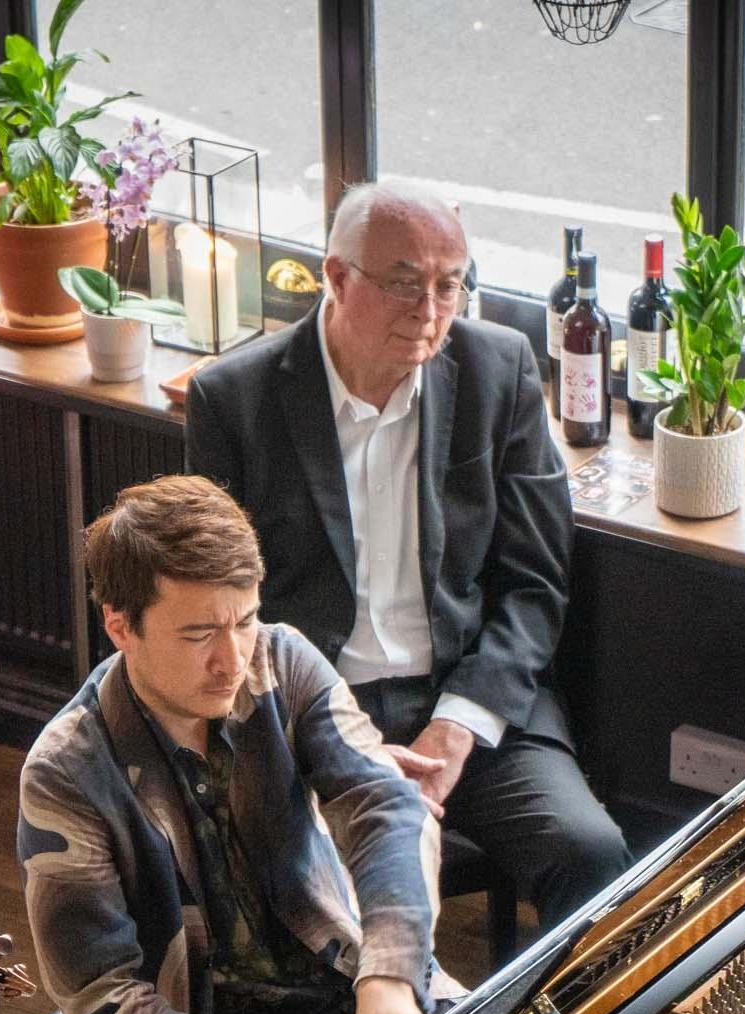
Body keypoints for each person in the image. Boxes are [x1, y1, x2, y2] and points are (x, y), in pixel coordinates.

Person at [184, 177, 632, 931]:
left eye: (448, 286)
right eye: (402, 286)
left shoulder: (500, 371)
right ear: (335, 276)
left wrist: (457, 725)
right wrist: (338, 744)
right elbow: (217, 607)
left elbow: (534, 583)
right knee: (298, 883)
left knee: (589, 854)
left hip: (470, 698)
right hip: (312, 708)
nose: (428, 314)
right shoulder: (234, 399)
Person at [17, 475, 446, 1014]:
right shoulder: (64, 774)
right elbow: (109, 1013)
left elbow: (382, 804)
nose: (231, 658)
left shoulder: (281, 661)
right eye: (196, 634)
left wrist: (386, 979)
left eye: (244, 621)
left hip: (338, 997)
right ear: (120, 626)